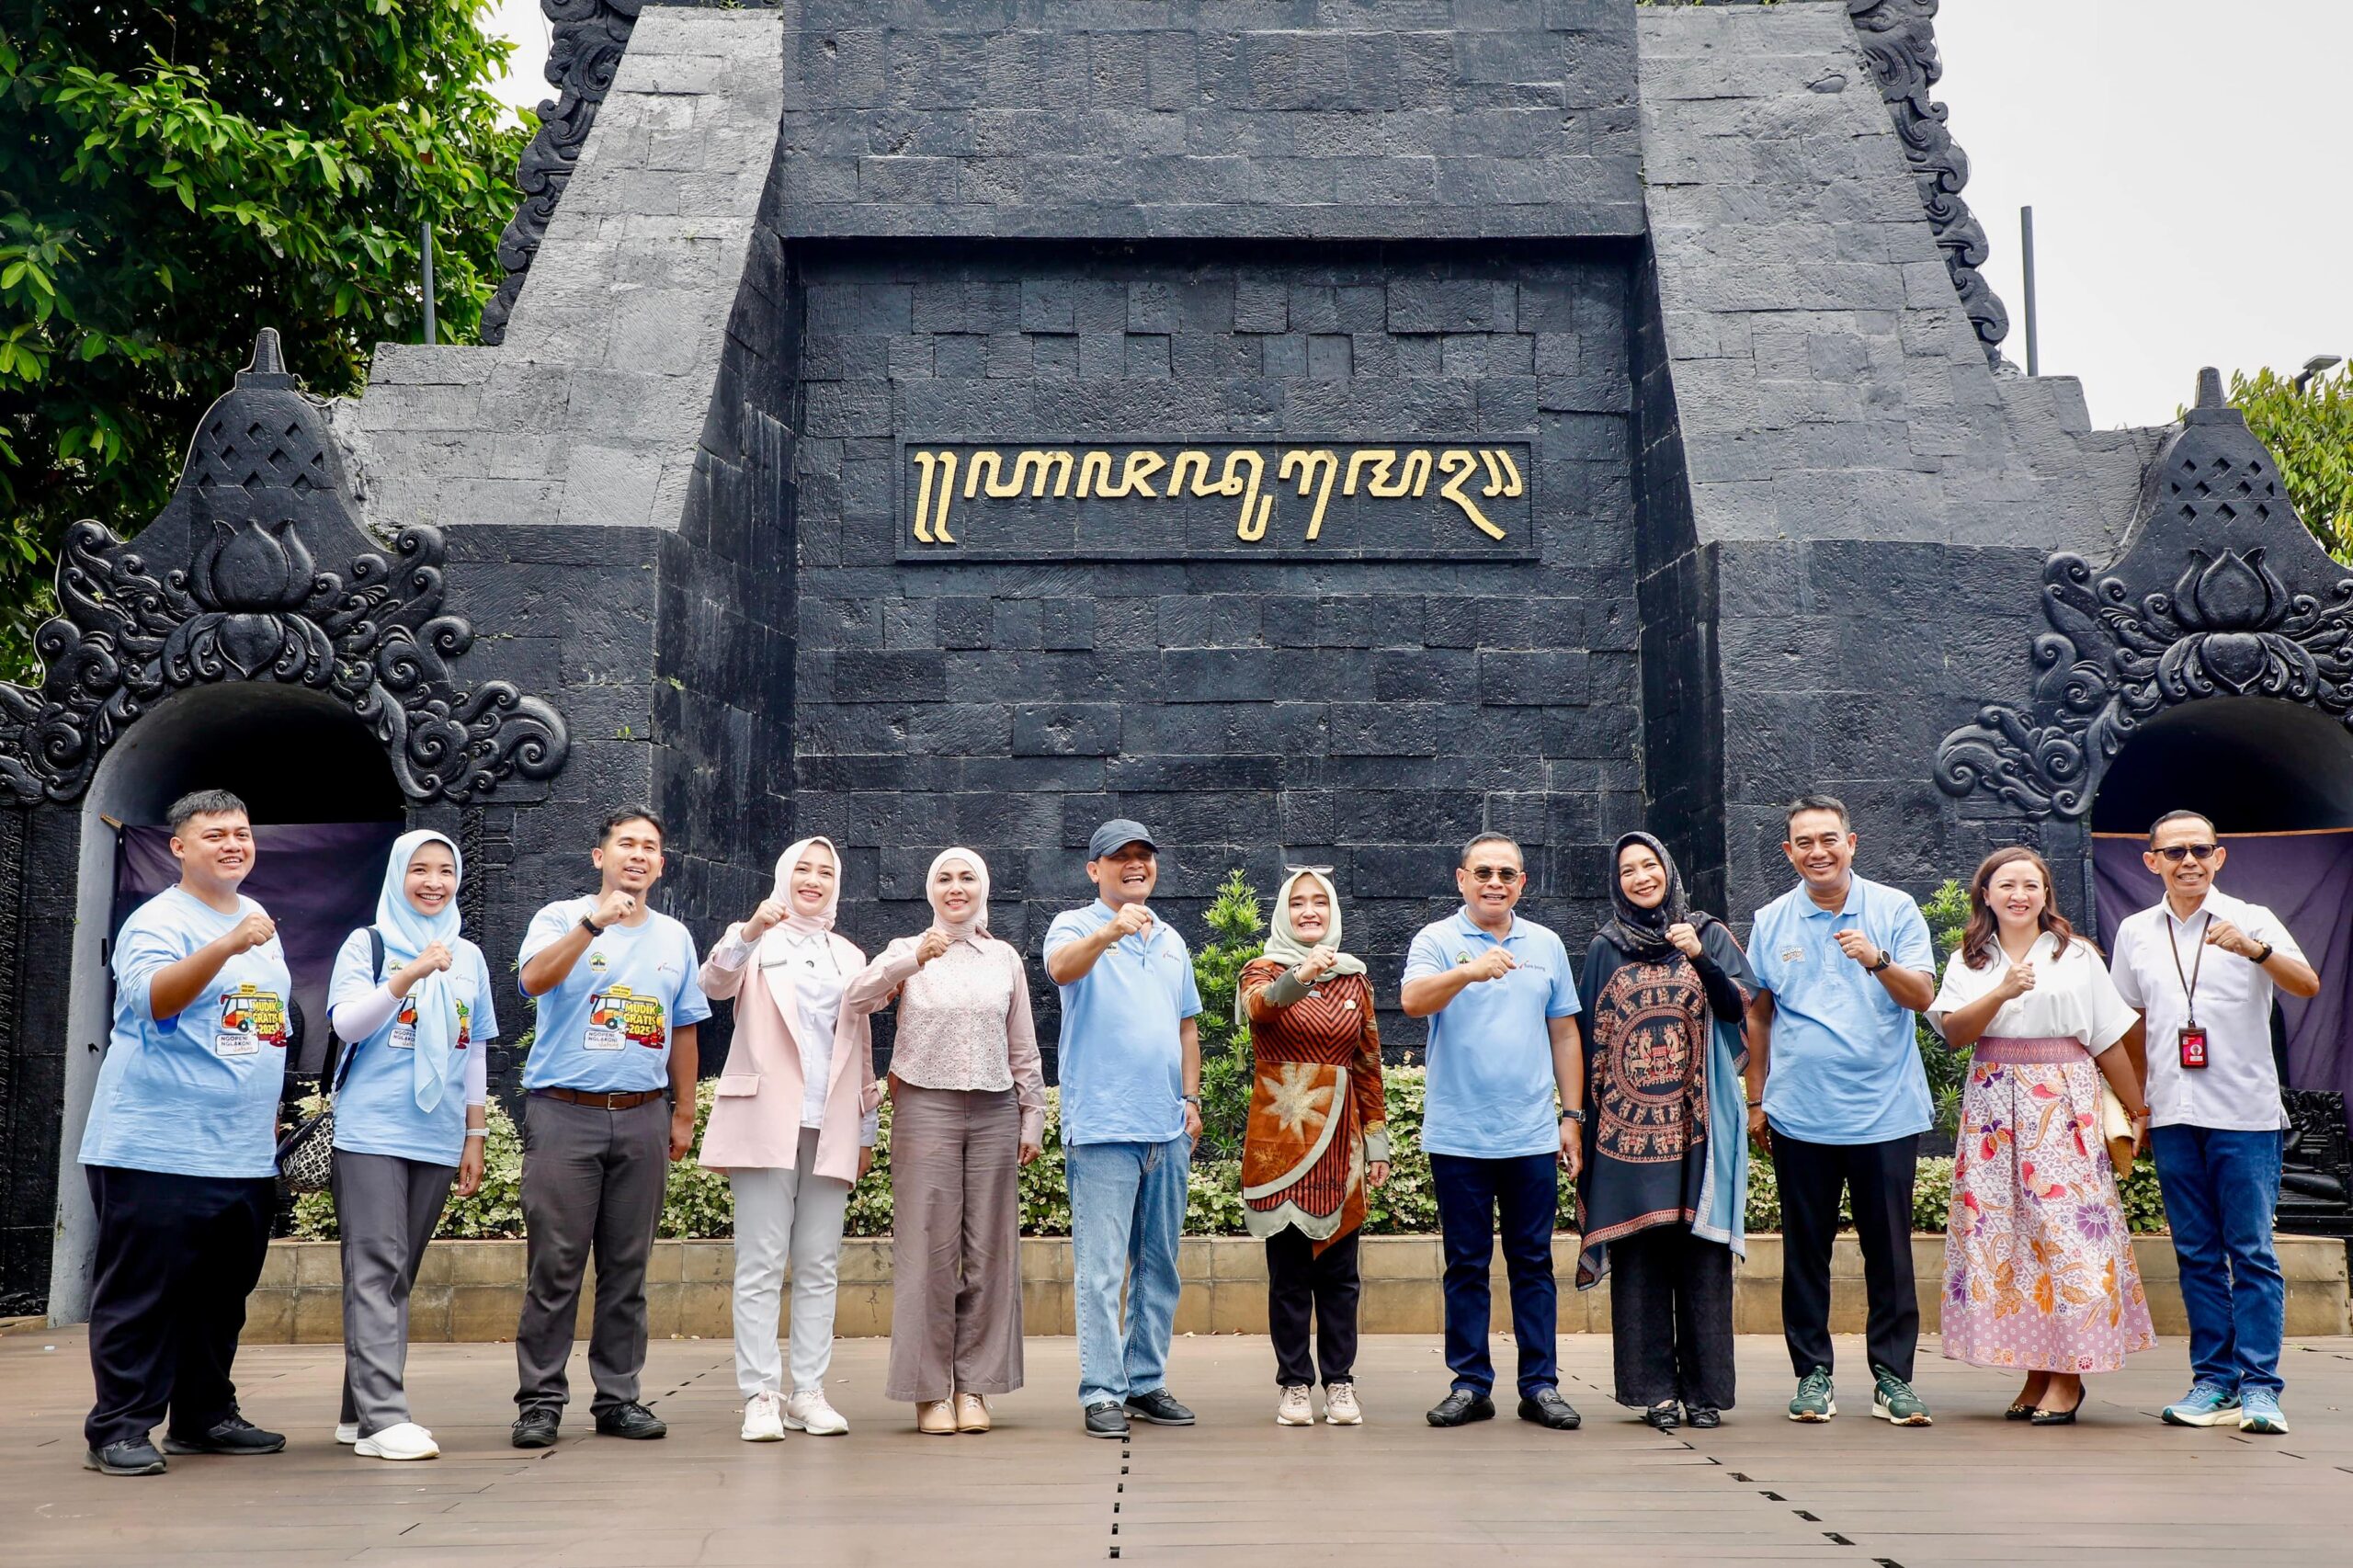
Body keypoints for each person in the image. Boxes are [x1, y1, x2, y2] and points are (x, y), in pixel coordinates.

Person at [78, 790, 290, 1476]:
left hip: (241, 1151)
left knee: (219, 1299)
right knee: (143, 1294)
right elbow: (154, 999)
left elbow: (262, 1022)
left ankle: (202, 1415)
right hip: (155, 1147)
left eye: (243, 832)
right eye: (215, 835)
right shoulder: (159, 920)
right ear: (178, 847)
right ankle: (118, 1427)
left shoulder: (260, 919)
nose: (234, 844)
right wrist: (227, 945)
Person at [2109, 810, 2319, 1436]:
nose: (2188, 861)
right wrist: (2139, 1103)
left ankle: (2260, 1387)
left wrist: (2256, 951)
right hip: (2174, 1113)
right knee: (2196, 1253)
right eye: (2174, 853)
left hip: (2245, 1113)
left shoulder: (2251, 918)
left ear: (2219, 857)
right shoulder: (2136, 931)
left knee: (2251, 1252)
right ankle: (2214, 1381)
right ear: (2152, 862)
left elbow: (2306, 984)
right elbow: (2131, 1021)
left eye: (2200, 850)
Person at [1928, 846, 2154, 1424]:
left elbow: (2107, 1036)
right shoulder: (1970, 960)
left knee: (2065, 1231)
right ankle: (2036, 1367)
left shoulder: (2076, 954)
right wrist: (2001, 991)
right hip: (1993, 1105)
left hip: (2062, 1099)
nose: (2019, 894)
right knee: (2004, 1232)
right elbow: (1953, 1033)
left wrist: (2136, 1107)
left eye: (2031, 884)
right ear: (1987, 894)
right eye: (2006, 885)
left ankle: (2069, 1374)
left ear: (2046, 894)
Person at [509, 806, 710, 1449]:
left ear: (661, 864)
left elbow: (683, 1027)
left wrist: (683, 1111)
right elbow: (533, 979)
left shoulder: (675, 937)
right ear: (601, 857)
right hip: (565, 1112)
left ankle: (618, 1398)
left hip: (642, 1114)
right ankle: (540, 1401)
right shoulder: (558, 917)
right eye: (627, 845)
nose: (639, 855)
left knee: (627, 1267)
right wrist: (593, 925)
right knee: (556, 1265)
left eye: (651, 847)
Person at [1745, 794, 1938, 1427]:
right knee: (1806, 1251)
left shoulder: (1893, 909)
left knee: (1890, 1251)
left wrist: (1877, 960)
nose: (1818, 852)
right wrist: (1756, 1097)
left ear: (1851, 844)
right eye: (1804, 842)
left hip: (1885, 1110)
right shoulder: (1772, 919)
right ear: (1789, 852)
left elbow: (1922, 995)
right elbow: (1759, 1013)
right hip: (1802, 1113)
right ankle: (1812, 1375)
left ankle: (1893, 1379)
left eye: (1829, 839)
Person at [846, 847, 1044, 1436]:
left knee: (990, 1250)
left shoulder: (1003, 957)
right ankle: (928, 1391)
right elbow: (855, 999)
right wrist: (908, 961)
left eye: (967, 878)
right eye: (944, 879)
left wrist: (1032, 1116)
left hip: (994, 1109)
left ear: (983, 888)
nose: (955, 888)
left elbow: (1024, 1045)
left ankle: (976, 1387)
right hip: (924, 1106)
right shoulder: (907, 950)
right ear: (929, 890)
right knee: (927, 1250)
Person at [1400, 832, 1585, 1433]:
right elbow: (1411, 1001)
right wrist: (1470, 972)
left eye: (1507, 873)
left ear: (1522, 884)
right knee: (1466, 1264)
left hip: (1531, 1134)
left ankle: (1540, 1385)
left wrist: (1572, 1117)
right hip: (1459, 1136)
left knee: (1532, 1261)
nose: (1495, 883)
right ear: (1461, 879)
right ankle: (1470, 1383)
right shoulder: (1438, 940)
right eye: (1483, 872)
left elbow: (1564, 1034)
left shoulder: (1547, 945)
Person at [325, 830, 501, 1461]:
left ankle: (357, 1415)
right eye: (419, 870)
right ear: (398, 876)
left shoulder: (470, 958)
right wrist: (407, 976)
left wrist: (474, 1134)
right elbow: (346, 1024)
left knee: (398, 1274)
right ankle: (386, 1414)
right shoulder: (367, 943)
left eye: (445, 871)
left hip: (436, 1131)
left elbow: (474, 1049)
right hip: (372, 1129)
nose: (433, 882)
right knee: (375, 1267)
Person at [1574, 833, 1755, 1432]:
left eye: (1649, 864)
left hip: (1699, 1123)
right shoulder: (1605, 945)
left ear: (1667, 869)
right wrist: (1579, 1122)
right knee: (1642, 1260)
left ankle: (1705, 1393)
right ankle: (1654, 1392)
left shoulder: (1709, 932)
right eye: (1628, 870)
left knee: (1702, 1259)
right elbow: (1587, 1040)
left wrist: (1698, 955)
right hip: (1625, 1133)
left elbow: (1736, 1010)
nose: (1640, 877)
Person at [699, 835, 879, 1441]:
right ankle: (760, 1394)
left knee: (820, 1262)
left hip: (830, 1120)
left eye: (826, 871)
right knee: (760, 1261)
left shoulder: (851, 956)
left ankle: (809, 1391)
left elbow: (863, 1046)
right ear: (783, 876)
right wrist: (750, 928)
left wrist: (867, 1123)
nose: (814, 879)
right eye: (802, 868)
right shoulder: (754, 941)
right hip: (765, 1117)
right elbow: (713, 984)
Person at [1044, 819, 1204, 1440]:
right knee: (1103, 1268)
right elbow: (1061, 969)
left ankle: (1144, 1382)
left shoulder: (1171, 940)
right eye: (1120, 858)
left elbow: (1187, 1026)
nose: (1135, 866)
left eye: (1144, 857)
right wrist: (1111, 930)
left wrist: (1189, 1100)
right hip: (1104, 1126)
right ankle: (1102, 1390)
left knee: (1159, 1266)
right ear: (1095, 870)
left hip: (1166, 1129)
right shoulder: (1076, 924)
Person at [1237, 867, 1389, 1427]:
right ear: (1284, 912)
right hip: (1283, 1138)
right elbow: (1261, 1011)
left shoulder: (1356, 981)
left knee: (1342, 1275)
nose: (1308, 912)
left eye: (1319, 903)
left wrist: (1378, 1145)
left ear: (1332, 913)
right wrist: (1299, 974)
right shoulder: (1262, 969)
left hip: (1342, 1142)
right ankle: (1294, 1385)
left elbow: (1368, 1066)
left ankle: (1341, 1383)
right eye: (1298, 903)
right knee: (1290, 1272)